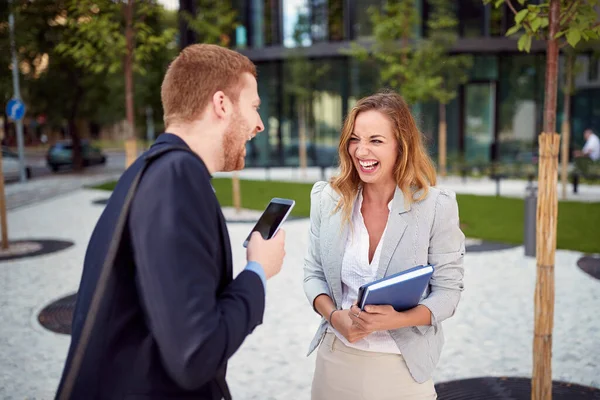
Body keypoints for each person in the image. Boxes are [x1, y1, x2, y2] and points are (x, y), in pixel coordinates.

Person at [55, 44, 286, 400]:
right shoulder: (177, 177)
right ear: (221, 104)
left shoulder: (152, 169)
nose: (259, 124)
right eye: (254, 107)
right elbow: (195, 354)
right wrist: (257, 271)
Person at [303, 90, 465, 399]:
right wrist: (334, 316)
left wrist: (399, 319)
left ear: (401, 146)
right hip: (335, 361)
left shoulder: (435, 206)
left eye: (376, 140)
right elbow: (313, 276)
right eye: (354, 139)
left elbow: (449, 293)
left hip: (402, 369)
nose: (361, 151)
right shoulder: (326, 199)